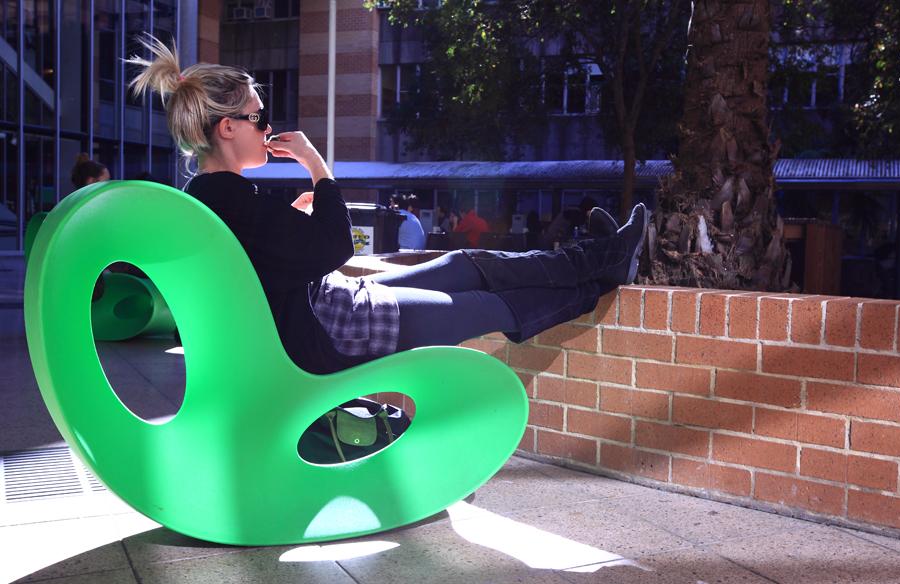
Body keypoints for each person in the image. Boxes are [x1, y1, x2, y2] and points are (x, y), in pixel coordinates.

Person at [126, 34, 649, 376]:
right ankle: (598, 277)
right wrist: (318, 168)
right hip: (325, 330)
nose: (267, 130)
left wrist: (300, 219)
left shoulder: (215, 198)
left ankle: (601, 256)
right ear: (227, 127)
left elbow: (279, 259)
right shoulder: (230, 202)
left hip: (325, 303)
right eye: (259, 119)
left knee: (462, 263)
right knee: (481, 307)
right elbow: (332, 246)